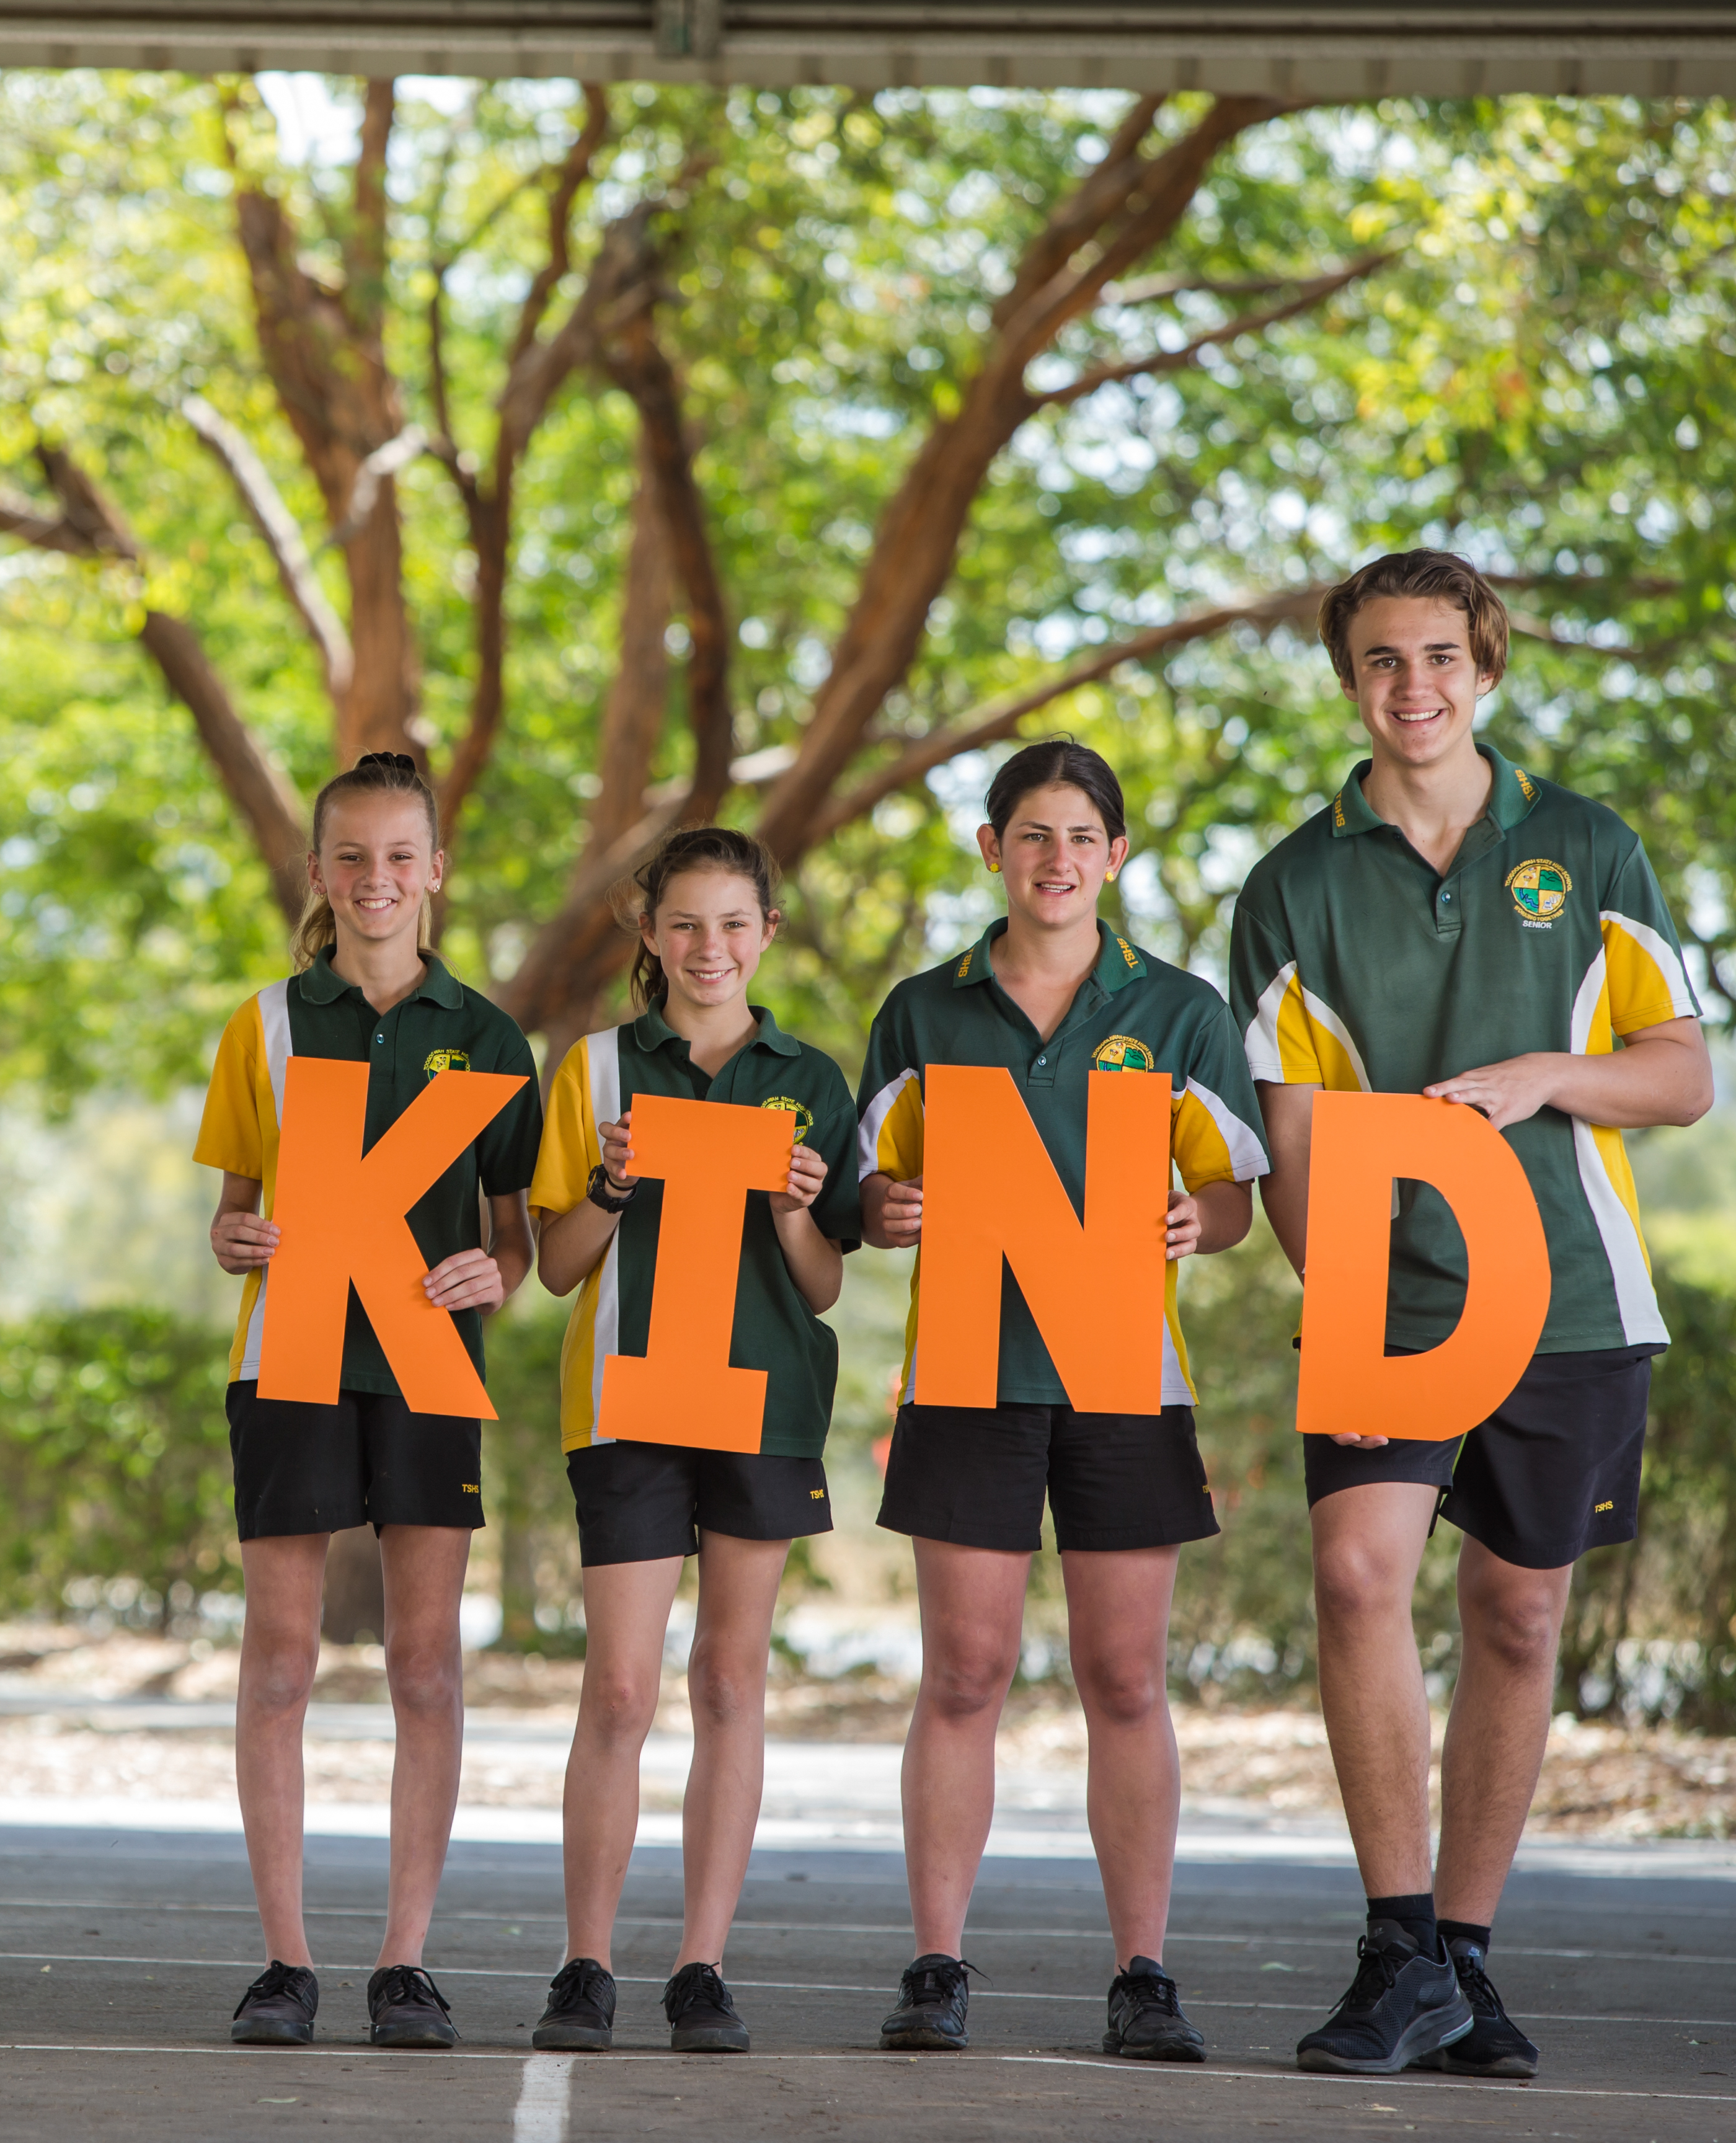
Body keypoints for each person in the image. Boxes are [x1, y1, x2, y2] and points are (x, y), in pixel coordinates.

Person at [1231, 551, 1709, 2078]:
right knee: (1359, 1574)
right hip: (1397, 1302)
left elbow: (1683, 1076)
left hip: (1570, 1295)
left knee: (1519, 1612)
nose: (1412, 688)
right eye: (1382, 661)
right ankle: (1396, 1944)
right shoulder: (1291, 884)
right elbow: (1297, 1146)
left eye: (1439, 657)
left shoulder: (1587, 845)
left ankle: (1468, 1967)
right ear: (1347, 678)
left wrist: (1547, 1079)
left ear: (1486, 665)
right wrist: (1354, 1312)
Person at [856, 737, 1266, 2062]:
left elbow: (1237, 1198)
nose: (1057, 860)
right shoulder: (924, 1009)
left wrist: (1195, 1219)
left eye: (1083, 838)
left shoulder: (1185, 1014)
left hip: (1120, 1380)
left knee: (1125, 1677)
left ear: (1118, 857)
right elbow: (864, 1195)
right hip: (970, 1373)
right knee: (965, 1672)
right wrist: (888, 1207)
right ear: (992, 850)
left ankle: (1143, 1973)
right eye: (1032, 835)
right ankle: (936, 1964)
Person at [193, 751, 542, 2051]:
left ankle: (407, 1962)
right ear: (321, 873)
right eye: (354, 857)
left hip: (425, 1367)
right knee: (280, 1661)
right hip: (289, 1360)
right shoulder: (266, 1025)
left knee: (425, 1666)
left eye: (402, 856)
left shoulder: (491, 1038)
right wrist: (235, 1241)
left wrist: (490, 1272)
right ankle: (285, 1961)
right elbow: (233, 1217)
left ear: (435, 870)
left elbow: (515, 1244)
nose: (378, 880)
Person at [523, 827, 859, 2057]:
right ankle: (586, 1963)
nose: (707, 949)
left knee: (728, 1679)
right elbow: (557, 1267)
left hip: (764, 1407)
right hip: (628, 1405)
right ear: (648, 933)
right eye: (684, 925)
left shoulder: (813, 1077)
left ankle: (702, 1966)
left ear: (767, 932)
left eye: (732, 925)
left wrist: (789, 1209)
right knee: (617, 1687)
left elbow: (822, 1285)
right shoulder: (598, 1071)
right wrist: (610, 1189)